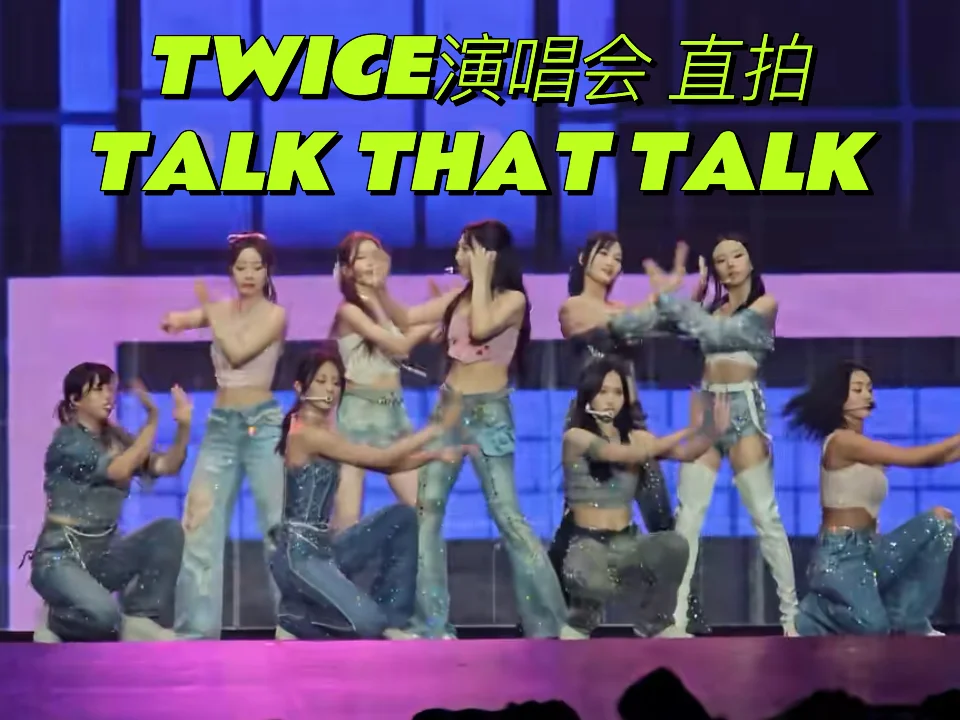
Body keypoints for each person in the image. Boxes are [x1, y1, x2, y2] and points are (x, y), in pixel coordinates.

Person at [376, 219, 574, 639]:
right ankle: (431, 625)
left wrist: (482, 278)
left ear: (488, 255)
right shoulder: (460, 296)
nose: (458, 256)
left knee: (507, 515)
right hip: (448, 409)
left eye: (466, 249)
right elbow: (406, 316)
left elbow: (482, 327)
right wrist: (376, 287)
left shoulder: (513, 300)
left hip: (488, 414)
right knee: (426, 511)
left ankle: (552, 623)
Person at [550, 232, 710, 635]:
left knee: (662, 522)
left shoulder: (625, 308)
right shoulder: (573, 307)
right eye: (605, 254)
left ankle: (672, 616)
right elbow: (626, 321)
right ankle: (568, 615)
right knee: (582, 523)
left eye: (619, 258)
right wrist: (662, 299)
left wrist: (688, 299)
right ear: (584, 258)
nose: (612, 262)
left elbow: (662, 323)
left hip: (631, 424)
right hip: (590, 424)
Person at [643, 237, 798, 635]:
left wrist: (689, 312)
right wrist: (694, 299)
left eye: (737, 256)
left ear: (750, 261)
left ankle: (791, 617)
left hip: (744, 410)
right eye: (720, 260)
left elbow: (723, 334)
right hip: (709, 408)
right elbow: (671, 330)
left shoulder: (765, 305)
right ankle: (675, 618)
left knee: (765, 516)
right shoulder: (711, 311)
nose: (730, 264)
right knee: (688, 517)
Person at [270, 349, 466, 640]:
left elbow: (387, 465)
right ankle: (297, 618)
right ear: (300, 387)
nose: (330, 389)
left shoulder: (327, 433)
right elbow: (383, 458)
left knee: (403, 518)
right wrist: (435, 429)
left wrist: (434, 455)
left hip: (326, 550)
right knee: (368, 625)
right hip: (298, 558)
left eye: (336, 382)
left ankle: (390, 619)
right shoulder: (305, 434)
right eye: (321, 381)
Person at [160, 232, 287, 639]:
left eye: (257, 267)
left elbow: (237, 351)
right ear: (231, 271)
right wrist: (178, 320)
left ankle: (293, 627)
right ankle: (195, 634)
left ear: (267, 271)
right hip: (221, 427)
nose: (249, 274)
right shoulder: (219, 310)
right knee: (199, 524)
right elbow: (184, 320)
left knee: (276, 527)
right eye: (241, 267)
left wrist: (209, 311)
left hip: (262, 427)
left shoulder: (275, 315)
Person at [559, 356, 731, 639]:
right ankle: (581, 619)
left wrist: (711, 432)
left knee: (674, 545)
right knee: (592, 580)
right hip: (587, 547)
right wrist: (690, 429)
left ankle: (655, 622)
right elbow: (620, 454)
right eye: (603, 391)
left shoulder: (636, 437)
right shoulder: (575, 437)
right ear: (588, 394)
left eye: (618, 392)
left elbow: (686, 453)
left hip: (626, 543)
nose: (611, 399)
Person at [784, 361, 958, 636]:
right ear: (839, 398)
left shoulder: (863, 445)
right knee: (872, 629)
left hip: (871, 551)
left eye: (869, 389)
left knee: (940, 523)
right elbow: (917, 457)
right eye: (857, 389)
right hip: (840, 557)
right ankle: (815, 612)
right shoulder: (842, 442)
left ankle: (909, 618)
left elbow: (936, 459)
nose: (867, 395)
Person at [29, 362, 190, 642]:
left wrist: (184, 426)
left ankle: (142, 616)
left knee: (168, 531)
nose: (108, 396)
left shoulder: (115, 438)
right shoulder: (67, 440)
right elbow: (119, 469)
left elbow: (166, 465)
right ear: (75, 399)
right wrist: (153, 420)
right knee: (104, 618)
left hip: (102, 556)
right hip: (60, 558)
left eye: (110, 389)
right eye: (98, 389)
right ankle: (56, 619)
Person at [330, 232, 439, 529]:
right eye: (362, 258)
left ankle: (410, 560)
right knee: (346, 519)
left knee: (423, 508)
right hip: (358, 417)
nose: (370, 263)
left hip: (392, 413)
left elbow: (414, 332)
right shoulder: (349, 311)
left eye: (375, 256)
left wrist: (437, 321)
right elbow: (399, 347)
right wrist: (432, 321)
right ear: (347, 269)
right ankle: (331, 560)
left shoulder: (386, 306)